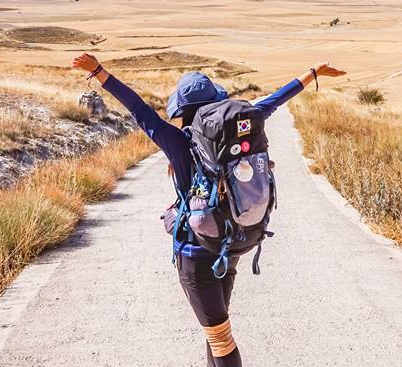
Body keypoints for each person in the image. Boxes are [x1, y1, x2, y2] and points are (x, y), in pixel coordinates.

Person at [71, 53, 346, 367]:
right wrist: (312, 73)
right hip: (230, 246)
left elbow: (138, 109)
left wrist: (99, 71)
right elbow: (275, 100)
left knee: (220, 337)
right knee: (215, 330)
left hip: (196, 252)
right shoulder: (238, 124)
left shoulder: (177, 141)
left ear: (183, 111)